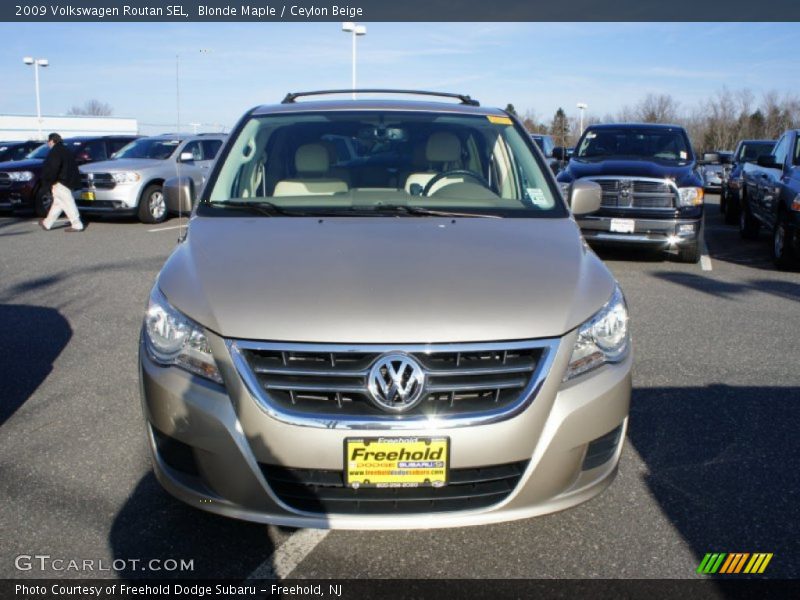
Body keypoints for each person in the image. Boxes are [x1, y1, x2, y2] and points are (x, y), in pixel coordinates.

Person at [39, 133, 84, 232]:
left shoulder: (55, 152)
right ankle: (47, 223)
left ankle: (77, 224)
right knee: (58, 203)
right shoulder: (66, 150)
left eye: (48, 141)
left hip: (60, 181)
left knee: (68, 202)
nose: (48, 144)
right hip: (68, 180)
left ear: (52, 141)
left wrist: (48, 181)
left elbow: (53, 168)